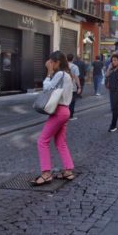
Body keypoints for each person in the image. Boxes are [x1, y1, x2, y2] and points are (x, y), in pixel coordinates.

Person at [31, 51, 76, 185]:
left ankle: (46, 174)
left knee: (42, 141)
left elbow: (47, 88)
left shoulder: (60, 74)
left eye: (52, 62)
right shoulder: (67, 75)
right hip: (65, 110)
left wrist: (49, 73)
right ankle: (68, 171)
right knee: (60, 142)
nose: (50, 64)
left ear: (57, 62)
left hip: (59, 111)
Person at [66, 54, 82, 120]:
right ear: (73, 59)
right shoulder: (75, 67)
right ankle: (70, 116)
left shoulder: (63, 66)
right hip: (72, 86)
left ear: (66, 58)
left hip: (64, 87)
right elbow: (76, 77)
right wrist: (79, 87)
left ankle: (64, 115)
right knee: (72, 102)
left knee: (65, 101)